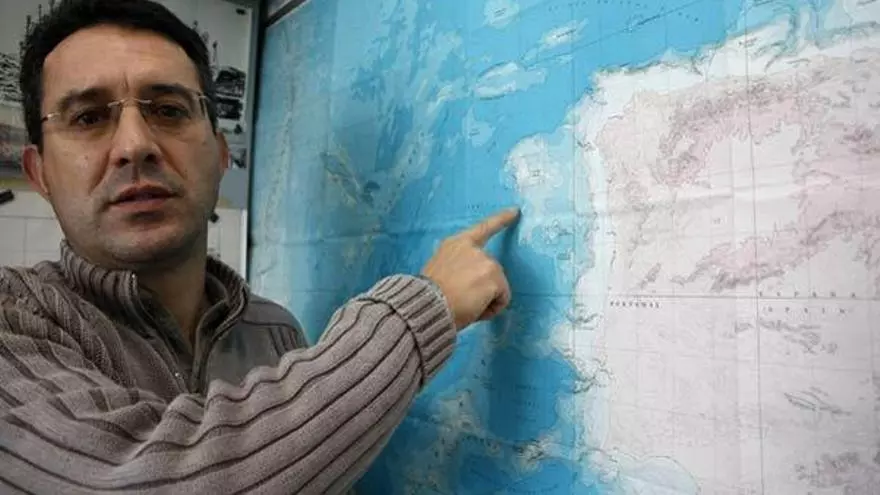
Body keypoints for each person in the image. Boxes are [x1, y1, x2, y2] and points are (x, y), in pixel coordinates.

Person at [0, 0, 519, 493]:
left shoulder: (275, 332)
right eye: (89, 117)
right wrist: (423, 311)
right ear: (39, 172)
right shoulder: (13, 324)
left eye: (169, 110)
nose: (135, 145)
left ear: (221, 155)